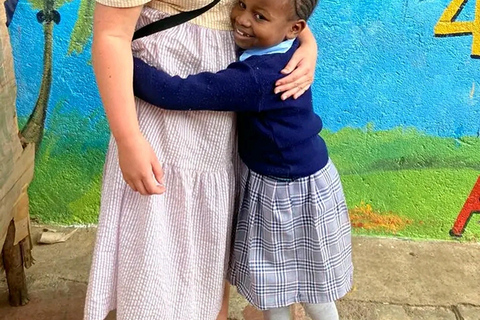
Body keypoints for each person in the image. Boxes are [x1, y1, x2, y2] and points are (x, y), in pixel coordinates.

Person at [84, 0, 319, 319]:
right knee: (159, 231)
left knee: (208, 231)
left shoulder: (260, 65)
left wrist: (306, 41)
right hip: (165, 102)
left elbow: (282, 9)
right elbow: (111, 34)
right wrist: (128, 138)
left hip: (220, 106)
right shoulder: (256, 68)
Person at [132, 0, 353, 319]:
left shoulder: (258, 77)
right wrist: (307, 41)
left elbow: (178, 93)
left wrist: (124, 62)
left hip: (284, 192)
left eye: (259, 16)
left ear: (293, 29)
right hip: (306, 178)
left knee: (280, 286)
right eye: (242, 4)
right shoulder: (281, 49)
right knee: (309, 284)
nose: (242, 19)